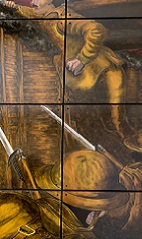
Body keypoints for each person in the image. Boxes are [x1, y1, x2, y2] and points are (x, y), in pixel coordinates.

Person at [4, 0, 128, 138]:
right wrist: (14, 8)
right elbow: (29, 12)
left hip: (96, 68)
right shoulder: (44, 14)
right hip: (71, 71)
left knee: (117, 121)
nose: (33, 1)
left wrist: (82, 59)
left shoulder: (63, 19)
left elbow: (97, 30)